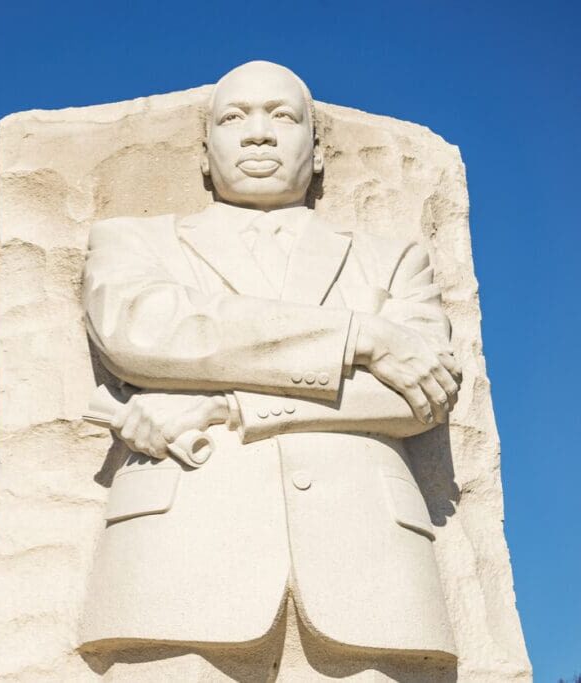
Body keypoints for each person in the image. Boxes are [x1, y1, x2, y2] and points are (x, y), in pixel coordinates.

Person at [80, 61, 461, 681]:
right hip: (174, 558)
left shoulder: (392, 258)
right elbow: (146, 332)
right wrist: (360, 336)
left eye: (282, 116)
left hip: (371, 563)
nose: (259, 133)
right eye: (234, 118)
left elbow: (421, 395)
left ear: (318, 153)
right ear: (204, 155)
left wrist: (225, 404)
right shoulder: (133, 242)